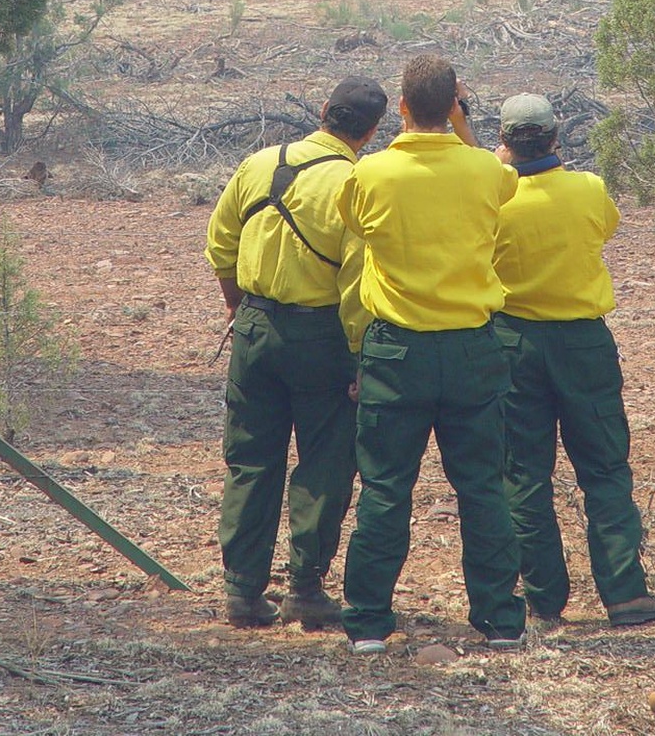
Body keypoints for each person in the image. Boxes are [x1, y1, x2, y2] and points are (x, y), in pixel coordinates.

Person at [336, 54, 527, 654]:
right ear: (452, 106)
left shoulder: (368, 175)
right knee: (483, 489)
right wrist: (463, 123)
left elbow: (355, 224)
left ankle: (367, 620)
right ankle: (500, 620)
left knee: (386, 488)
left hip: (396, 351)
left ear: (399, 107)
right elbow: (503, 176)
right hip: (473, 348)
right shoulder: (485, 173)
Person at [205, 76, 388, 629]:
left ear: (323, 111)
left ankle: (242, 591)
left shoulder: (260, 162)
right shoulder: (356, 181)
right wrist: (359, 357)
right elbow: (358, 281)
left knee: (251, 460)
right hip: (323, 337)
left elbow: (220, 243)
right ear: (374, 130)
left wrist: (240, 307)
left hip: (255, 329)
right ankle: (305, 590)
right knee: (326, 462)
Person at [491, 92, 655, 627]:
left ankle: (544, 598)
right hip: (582, 344)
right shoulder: (588, 190)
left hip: (513, 343)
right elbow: (604, 229)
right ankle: (623, 593)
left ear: (504, 141)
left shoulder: (492, 199)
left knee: (523, 473)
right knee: (605, 469)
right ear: (554, 136)